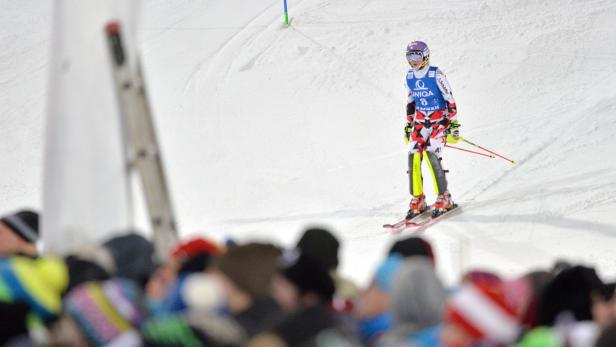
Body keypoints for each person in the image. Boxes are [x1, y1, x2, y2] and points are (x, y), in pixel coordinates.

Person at [404, 41, 460, 219]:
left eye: (416, 56)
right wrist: (408, 124)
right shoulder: (409, 77)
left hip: (439, 122)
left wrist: (453, 124)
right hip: (420, 123)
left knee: (430, 154)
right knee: (413, 154)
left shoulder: (436, 74)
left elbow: (449, 98)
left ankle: (444, 197)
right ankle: (417, 198)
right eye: (409, 57)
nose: (413, 61)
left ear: (425, 56)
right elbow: (411, 102)